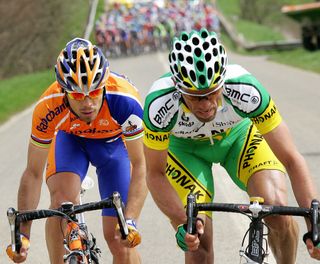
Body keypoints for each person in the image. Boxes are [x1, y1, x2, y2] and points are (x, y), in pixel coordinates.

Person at [143, 28, 320, 263]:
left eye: (212, 93)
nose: (205, 104)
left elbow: (291, 158)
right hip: (186, 150)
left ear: (223, 80)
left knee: (276, 209)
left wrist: (314, 225)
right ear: (178, 87)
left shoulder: (245, 88)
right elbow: (154, 174)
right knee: (197, 241)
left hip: (238, 137)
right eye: (195, 96)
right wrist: (181, 221)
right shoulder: (159, 105)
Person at [6, 38, 148, 264]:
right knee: (61, 205)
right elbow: (33, 173)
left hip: (114, 145)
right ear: (64, 91)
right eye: (77, 95)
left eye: (93, 93)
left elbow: (141, 166)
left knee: (119, 238)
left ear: (104, 85)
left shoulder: (125, 100)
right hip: (71, 140)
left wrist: (130, 220)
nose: (87, 103)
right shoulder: (49, 106)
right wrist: (22, 235)